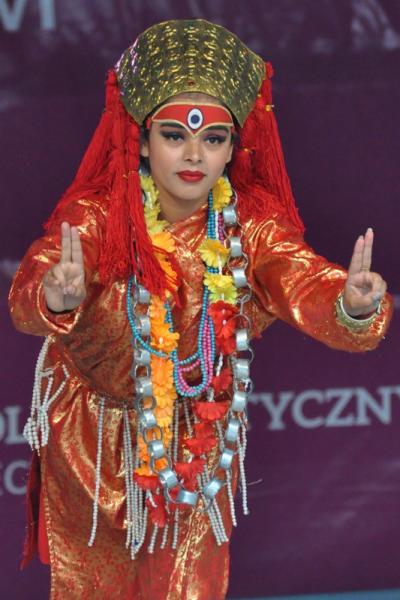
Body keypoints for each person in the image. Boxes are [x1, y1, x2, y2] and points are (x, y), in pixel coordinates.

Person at [9, 18, 391, 600]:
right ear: (142, 140)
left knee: (189, 589)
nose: (194, 155)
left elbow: (302, 278)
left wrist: (351, 304)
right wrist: (56, 295)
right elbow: (31, 290)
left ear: (233, 148)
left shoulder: (247, 227)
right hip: (91, 440)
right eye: (174, 136)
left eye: (213, 139)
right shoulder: (99, 217)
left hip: (197, 439)